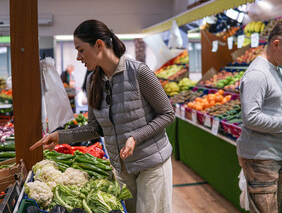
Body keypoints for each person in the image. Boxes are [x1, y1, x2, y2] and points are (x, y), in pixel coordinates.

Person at [31, 19, 175, 213]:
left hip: (152, 164)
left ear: (99, 45)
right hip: (123, 168)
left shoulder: (139, 72)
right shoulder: (93, 81)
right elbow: (94, 128)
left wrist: (135, 137)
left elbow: (167, 114)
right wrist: (59, 137)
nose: (78, 57)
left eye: (81, 50)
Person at [236, 21, 282, 213]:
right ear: (276, 44)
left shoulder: (275, 69)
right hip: (260, 157)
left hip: (273, 154)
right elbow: (250, 118)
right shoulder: (258, 74)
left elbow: (274, 109)